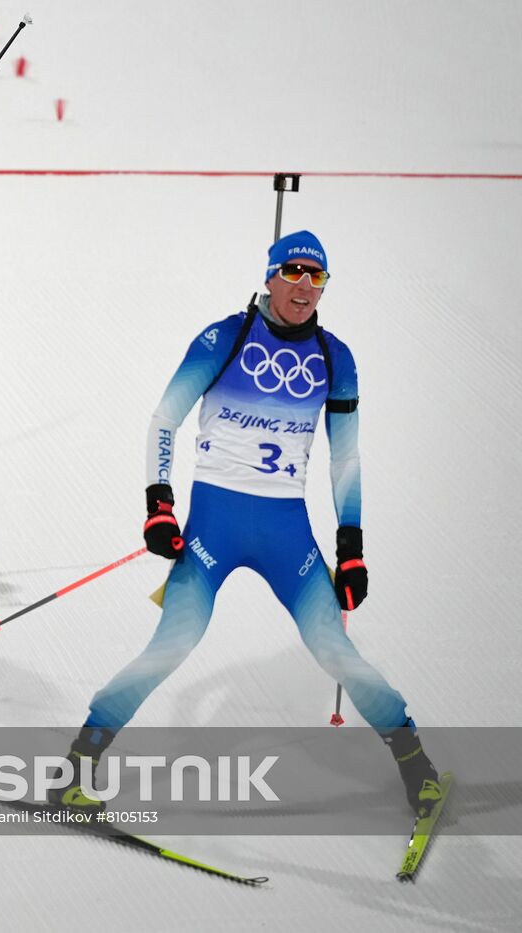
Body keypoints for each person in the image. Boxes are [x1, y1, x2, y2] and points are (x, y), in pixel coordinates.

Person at [59, 231, 442, 820]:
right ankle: (77, 768)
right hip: (214, 530)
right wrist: (158, 504)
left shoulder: (336, 358)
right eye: (294, 272)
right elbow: (165, 419)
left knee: (335, 652)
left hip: (288, 535)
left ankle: (417, 766)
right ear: (269, 276)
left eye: (317, 278)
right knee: (173, 644)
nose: (305, 288)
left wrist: (352, 546)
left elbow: (346, 459)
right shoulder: (225, 338)